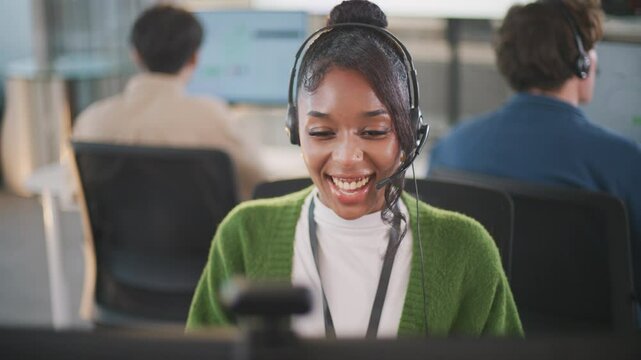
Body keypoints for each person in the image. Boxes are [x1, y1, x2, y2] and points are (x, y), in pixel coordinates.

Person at [187, 0, 523, 338]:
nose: (347, 157)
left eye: (374, 131)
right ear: (294, 130)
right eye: (321, 133)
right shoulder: (243, 236)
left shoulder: (466, 251)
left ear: (411, 133)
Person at [428, 0, 641, 312]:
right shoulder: (624, 161)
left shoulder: (450, 150)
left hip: (485, 343)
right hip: (594, 347)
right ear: (582, 62)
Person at [72, 4, 265, 200]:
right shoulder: (211, 116)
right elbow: (259, 184)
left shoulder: (91, 120)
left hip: (116, 232)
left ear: (135, 55)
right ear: (194, 58)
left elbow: (74, 191)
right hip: (203, 231)